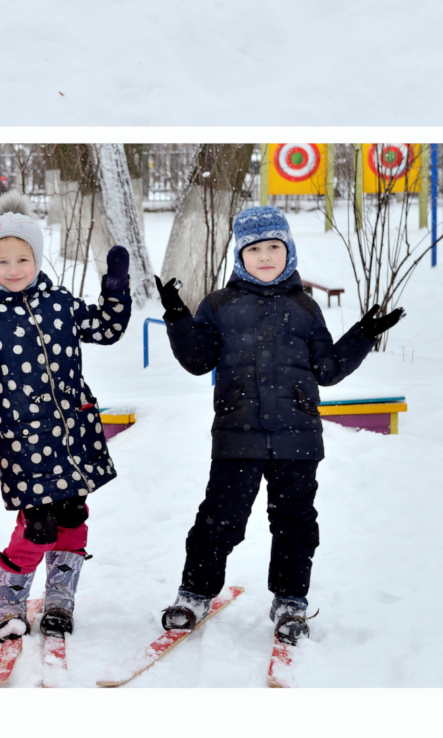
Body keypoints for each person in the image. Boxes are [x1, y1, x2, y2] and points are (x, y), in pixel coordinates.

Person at [154, 207, 401, 648]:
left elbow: (327, 369)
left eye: (274, 247)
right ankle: (193, 594)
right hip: (237, 435)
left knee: (295, 522)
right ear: (239, 256)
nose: (265, 257)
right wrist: (177, 315)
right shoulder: (219, 305)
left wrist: (364, 332)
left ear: (288, 251)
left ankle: (290, 601)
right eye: (254, 249)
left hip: (297, 439)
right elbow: (196, 360)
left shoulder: (305, 308)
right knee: (219, 519)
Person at [0, 205, 133, 644]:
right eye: (2, 261)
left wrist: (115, 287)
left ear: (37, 259)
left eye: (22, 259)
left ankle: (61, 596)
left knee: (73, 517)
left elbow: (105, 329)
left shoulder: (60, 303)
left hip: (72, 437)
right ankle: (10, 598)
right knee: (36, 526)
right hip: (23, 442)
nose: (13, 269)